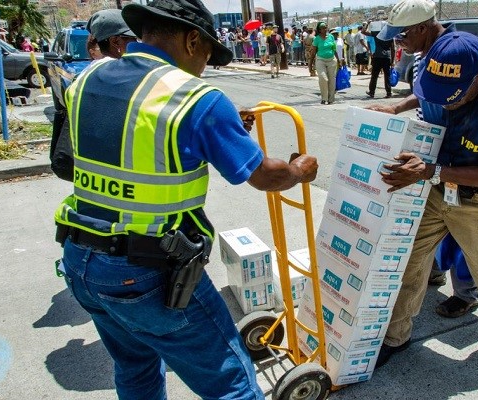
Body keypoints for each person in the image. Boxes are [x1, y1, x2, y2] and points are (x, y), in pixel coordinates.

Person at [54, 1, 319, 399]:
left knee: (136, 369)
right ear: (193, 40)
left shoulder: (87, 79)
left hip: (81, 260)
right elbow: (266, 176)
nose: (205, 67)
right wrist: (300, 170)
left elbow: (132, 136)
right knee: (230, 385)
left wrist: (221, 128)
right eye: (208, 55)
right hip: (148, 273)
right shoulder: (195, 98)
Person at [369, 0, 478, 378]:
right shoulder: (438, 64)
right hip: (434, 188)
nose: (445, 101)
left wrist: (433, 171)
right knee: (407, 263)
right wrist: (397, 109)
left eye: (453, 95)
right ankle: (395, 337)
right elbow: (428, 94)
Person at [51, 9, 137, 182]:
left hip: (90, 174)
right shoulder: (122, 75)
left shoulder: (84, 75)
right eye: (132, 40)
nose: (136, 44)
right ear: (115, 42)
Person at [311, 22, 342, 105]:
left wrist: (339, 61)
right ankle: (324, 98)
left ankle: (331, 99)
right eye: (322, 28)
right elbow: (313, 52)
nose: (325, 29)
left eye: (325, 27)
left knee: (332, 80)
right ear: (319, 30)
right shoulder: (316, 39)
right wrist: (310, 65)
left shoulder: (331, 37)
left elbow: (334, 49)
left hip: (332, 60)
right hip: (320, 60)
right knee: (323, 78)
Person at [363, 20, 394, 98]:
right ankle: (388, 93)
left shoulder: (377, 34)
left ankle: (372, 92)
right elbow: (393, 49)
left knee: (374, 76)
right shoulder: (390, 36)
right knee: (387, 76)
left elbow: (363, 32)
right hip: (387, 57)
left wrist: (367, 24)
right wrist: (392, 61)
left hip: (377, 56)